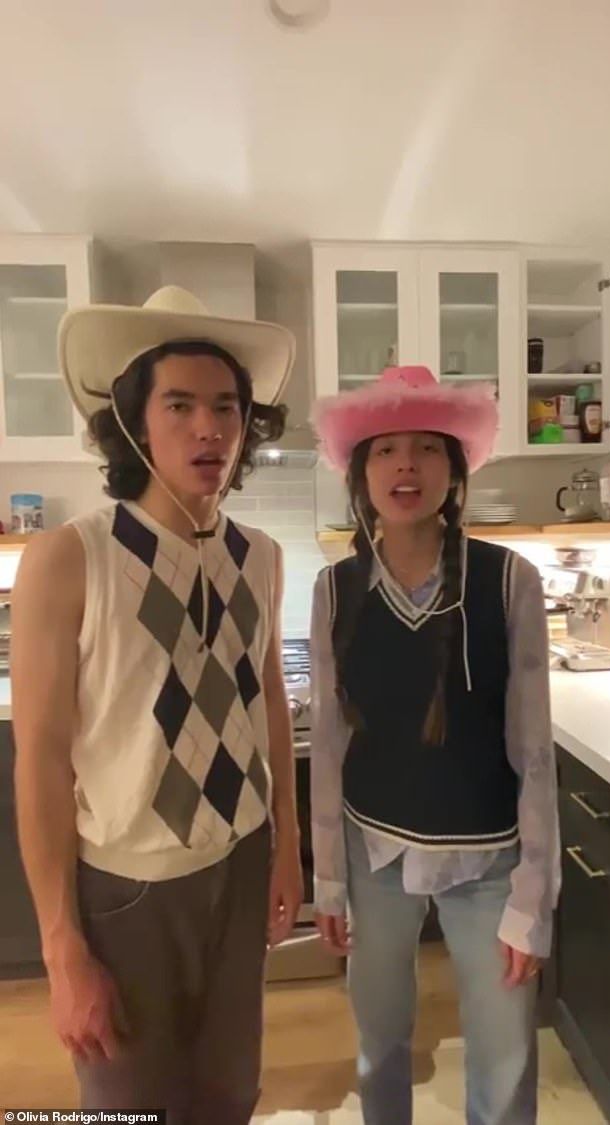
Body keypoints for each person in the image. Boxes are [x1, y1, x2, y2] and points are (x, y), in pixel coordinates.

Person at [10, 285, 303, 1123]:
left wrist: (285, 846)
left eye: (226, 407)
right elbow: (40, 759)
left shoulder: (261, 557)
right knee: (126, 1102)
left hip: (242, 863)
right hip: (127, 885)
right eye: (179, 404)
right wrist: (63, 948)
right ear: (136, 422)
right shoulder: (71, 559)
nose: (209, 426)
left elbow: (271, 704)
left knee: (227, 1092)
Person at [309, 365, 561, 1125]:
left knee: (505, 1053)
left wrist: (533, 902)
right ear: (360, 472)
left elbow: (534, 749)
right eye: (385, 449)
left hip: (490, 861)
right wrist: (329, 880)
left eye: (426, 447)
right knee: (379, 1042)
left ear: (454, 471)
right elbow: (326, 742)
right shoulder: (334, 590)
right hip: (372, 853)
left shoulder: (507, 580)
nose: (405, 466)